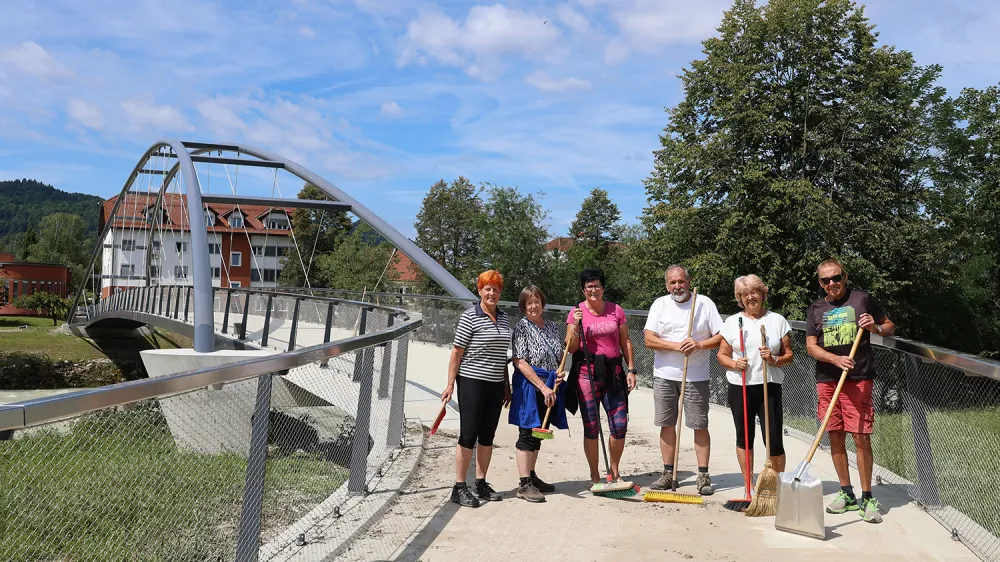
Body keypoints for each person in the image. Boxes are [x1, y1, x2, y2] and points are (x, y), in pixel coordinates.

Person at [805, 258, 895, 523]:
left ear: (845, 277)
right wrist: (834, 360)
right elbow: (811, 346)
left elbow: (890, 327)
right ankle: (846, 493)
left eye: (836, 278)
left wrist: (875, 328)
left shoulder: (863, 299)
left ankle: (868, 497)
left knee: (860, 437)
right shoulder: (816, 308)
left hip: (858, 378)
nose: (832, 284)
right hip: (827, 379)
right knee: (834, 436)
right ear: (820, 283)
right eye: (826, 280)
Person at [643, 264, 723, 495]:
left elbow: (720, 336)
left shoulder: (704, 303)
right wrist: (676, 346)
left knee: (699, 424)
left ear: (688, 282)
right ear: (667, 285)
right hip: (664, 375)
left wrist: (698, 344)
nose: (677, 286)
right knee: (667, 423)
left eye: (681, 281)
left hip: (696, 375)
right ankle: (669, 473)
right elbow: (649, 339)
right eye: (672, 283)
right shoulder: (660, 304)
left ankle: (703, 475)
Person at [442, 270, 512, 508]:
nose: (492, 293)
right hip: (472, 382)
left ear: (500, 293)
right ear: (479, 290)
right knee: (468, 434)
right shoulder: (469, 317)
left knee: (488, 436)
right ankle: (459, 486)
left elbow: (503, 355)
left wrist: (506, 384)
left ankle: (481, 482)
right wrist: (450, 384)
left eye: (496, 289)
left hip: (495, 384)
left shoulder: (503, 318)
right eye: (487, 288)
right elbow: (457, 353)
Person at [716, 274, 792, 485]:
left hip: (769, 385)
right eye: (745, 294)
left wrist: (774, 358)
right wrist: (734, 363)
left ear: (762, 293)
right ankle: (748, 485)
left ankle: (776, 486)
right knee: (744, 437)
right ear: (740, 298)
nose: (751, 297)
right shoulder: (732, 322)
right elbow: (722, 355)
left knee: (774, 439)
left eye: (754, 292)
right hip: (740, 387)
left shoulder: (777, 320)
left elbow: (789, 356)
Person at [564, 268, 637, 484]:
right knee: (592, 426)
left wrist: (631, 369)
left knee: (620, 424)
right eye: (589, 286)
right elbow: (571, 347)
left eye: (597, 285)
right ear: (583, 289)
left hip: (614, 372)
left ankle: (614, 470)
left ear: (603, 288)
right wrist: (576, 325)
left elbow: (626, 341)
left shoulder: (616, 310)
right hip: (586, 372)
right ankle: (595, 474)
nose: (593, 290)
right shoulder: (576, 312)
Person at [510, 285, 567, 502]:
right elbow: (520, 361)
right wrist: (542, 387)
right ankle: (524, 484)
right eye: (529, 303)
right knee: (527, 432)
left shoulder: (551, 326)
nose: (533, 306)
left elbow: (559, 355)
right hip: (530, 387)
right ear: (523, 306)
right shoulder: (521, 328)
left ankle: (532, 476)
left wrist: (558, 376)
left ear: (542, 303)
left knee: (540, 431)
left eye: (537, 301)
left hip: (550, 385)